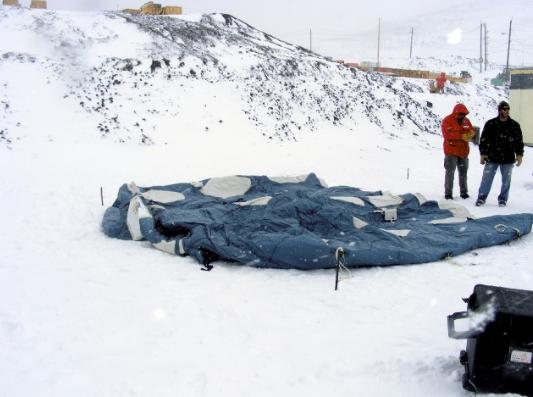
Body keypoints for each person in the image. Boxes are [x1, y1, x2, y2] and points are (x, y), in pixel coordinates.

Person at [475, 101, 524, 207]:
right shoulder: (491, 124)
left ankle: (503, 199)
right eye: (504, 109)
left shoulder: (514, 125)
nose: (506, 111)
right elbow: (484, 139)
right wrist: (483, 154)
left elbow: (519, 141)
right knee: (486, 179)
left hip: (508, 158)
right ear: (499, 110)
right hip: (492, 157)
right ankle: (481, 198)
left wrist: (519, 155)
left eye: (507, 109)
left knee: (506, 181)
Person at [441, 103, 476, 200]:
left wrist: (472, 134)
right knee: (450, 173)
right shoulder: (447, 120)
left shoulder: (466, 121)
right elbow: (447, 134)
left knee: (463, 173)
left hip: (463, 151)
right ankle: (448, 194)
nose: (463, 116)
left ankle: (464, 193)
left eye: (464, 114)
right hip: (451, 151)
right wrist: (461, 136)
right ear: (456, 112)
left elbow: (471, 130)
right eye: (461, 114)